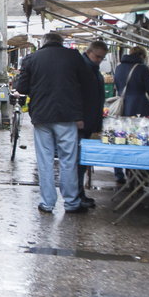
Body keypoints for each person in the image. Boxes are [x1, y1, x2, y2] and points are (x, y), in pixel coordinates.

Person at [15, 32, 87, 214]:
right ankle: (71, 202)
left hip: (42, 116)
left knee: (45, 160)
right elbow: (85, 84)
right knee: (68, 160)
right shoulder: (74, 57)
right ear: (61, 43)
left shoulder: (32, 59)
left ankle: (47, 203)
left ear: (43, 43)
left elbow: (21, 88)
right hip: (67, 115)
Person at [112, 46, 149, 184]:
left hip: (122, 108)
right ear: (142, 56)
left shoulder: (119, 67)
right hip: (139, 108)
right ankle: (140, 173)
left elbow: (117, 86)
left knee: (121, 139)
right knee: (139, 140)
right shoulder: (142, 68)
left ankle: (119, 173)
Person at [77, 41, 108, 208]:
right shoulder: (83, 68)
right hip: (82, 122)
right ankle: (77, 195)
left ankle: (79, 194)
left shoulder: (92, 68)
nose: (99, 60)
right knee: (78, 161)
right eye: (97, 57)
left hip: (89, 121)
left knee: (82, 161)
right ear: (89, 52)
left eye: (102, 58)